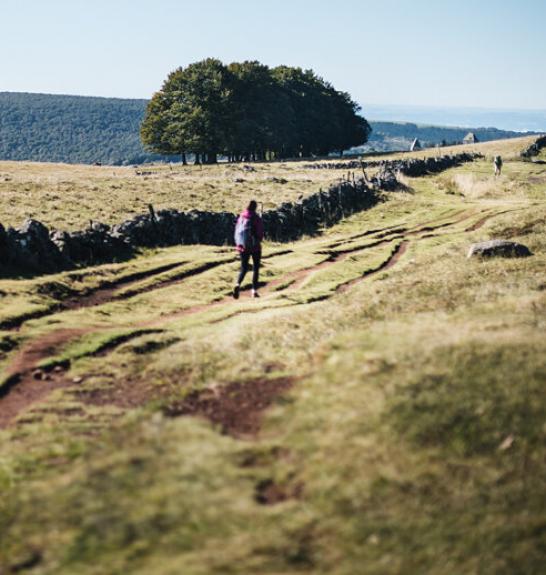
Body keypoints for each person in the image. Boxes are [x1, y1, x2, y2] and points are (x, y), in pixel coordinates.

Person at [233, 200, 264, 299]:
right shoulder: (256, 218)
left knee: (244, 267)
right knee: (256, 268)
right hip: (255, 247)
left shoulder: (242, 216)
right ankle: (254, 291)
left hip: (242, 246)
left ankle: (237, 284)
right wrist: (259, 239)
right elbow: (259, 233)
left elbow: (237, 229)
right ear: (255, 207)